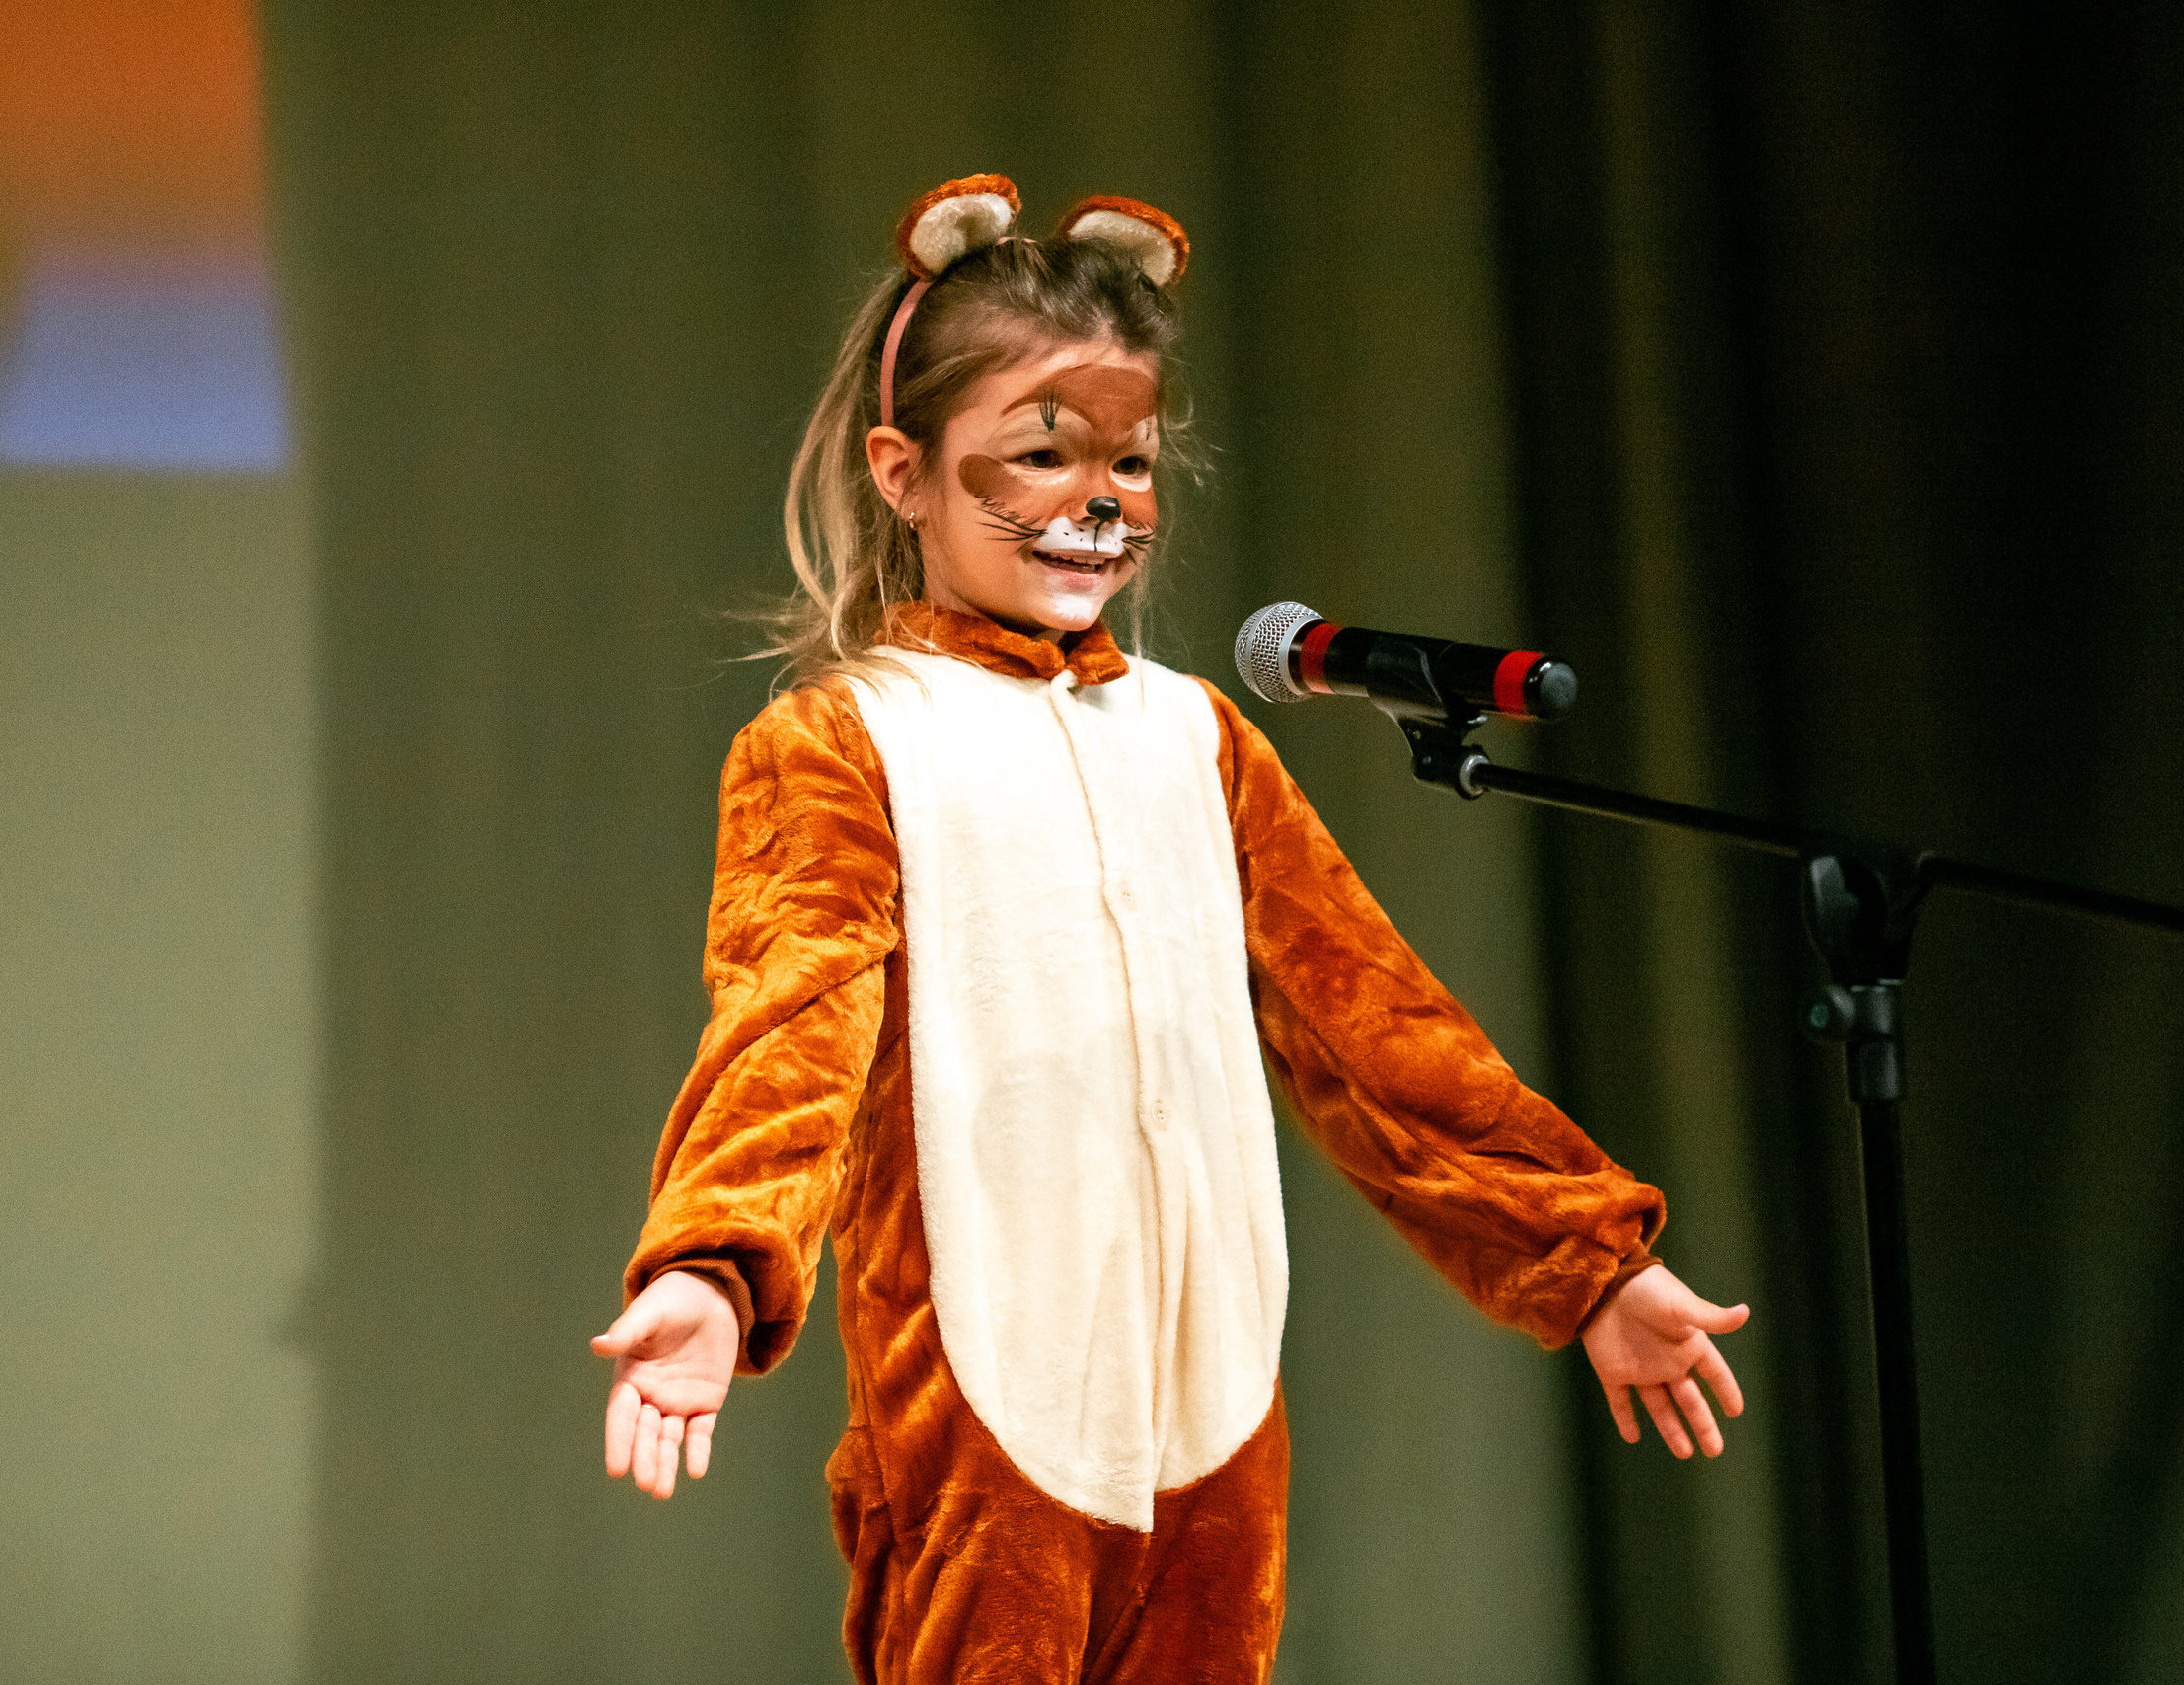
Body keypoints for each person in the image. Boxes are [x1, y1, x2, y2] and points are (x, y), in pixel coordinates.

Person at [589, 174, 1748, 1684]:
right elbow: (791, 1028)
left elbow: (1377, 1031)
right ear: (905, 471)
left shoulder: (1199, 739)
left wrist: (1582, 1256)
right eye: (1041, 454)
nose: (1099, 503)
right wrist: (710, 1265)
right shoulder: (848, 740)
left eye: (1130, 463)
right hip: (989, 1412)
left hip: (1214, 1411)